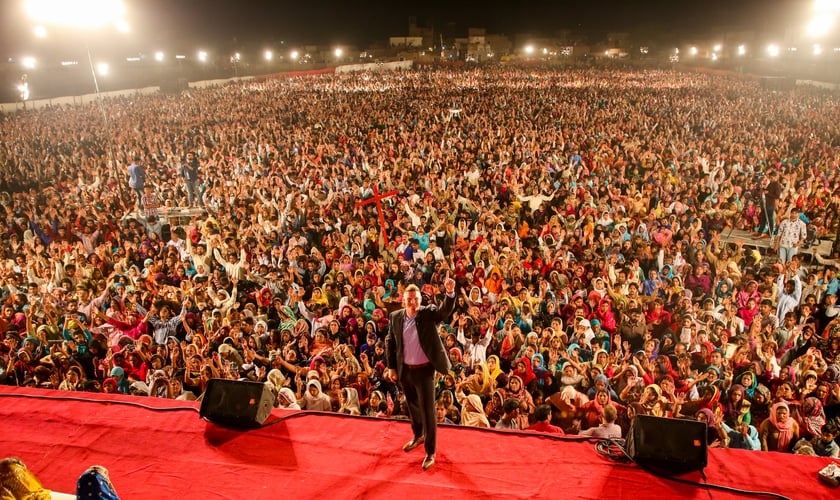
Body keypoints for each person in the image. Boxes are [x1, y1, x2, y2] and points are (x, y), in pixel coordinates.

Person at [384, 277, 456, 471]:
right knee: (412, 406)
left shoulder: (427, 313)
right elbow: (390, 342)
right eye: (409, 299)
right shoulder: (396, 317)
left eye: (416, 298)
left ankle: (430, 452)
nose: (413, 302)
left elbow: (443, 311)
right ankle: (418, 435)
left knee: (428, 411)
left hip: (425, 371)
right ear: (403, 300)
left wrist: (449, 294)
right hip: (405, 369)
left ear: (420, 299)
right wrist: (391, 367)